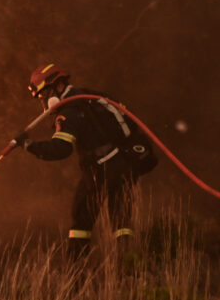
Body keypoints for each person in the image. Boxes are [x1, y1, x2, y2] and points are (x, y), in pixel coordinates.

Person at [13, 63, 157, 259]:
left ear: (56, 87)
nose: (44, 101)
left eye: (43, 95)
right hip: (124, 163)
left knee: (81, 219)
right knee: (121, 219)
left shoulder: (70, 112)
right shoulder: (90, 97)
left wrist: (29, 145)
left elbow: (60, 149)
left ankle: (76, 273)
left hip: (100, 169)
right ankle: (129, 266)